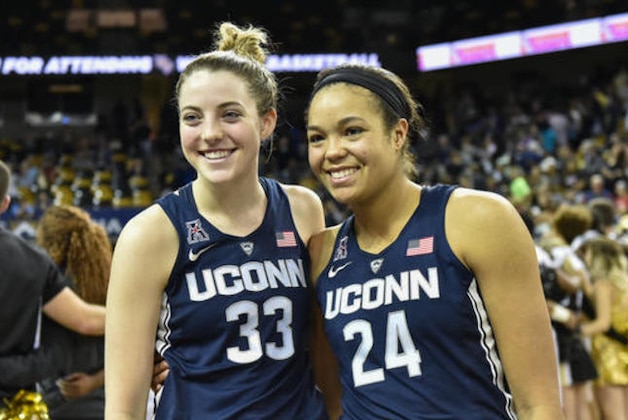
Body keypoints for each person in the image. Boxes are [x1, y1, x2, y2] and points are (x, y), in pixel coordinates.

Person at [304, 64, 563, 419]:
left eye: (351, 131)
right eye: (317, 138)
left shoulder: (478, 219)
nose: (331, 151)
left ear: (397, 134)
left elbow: (540, 404)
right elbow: (334, 403)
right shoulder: (322, 253)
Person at [104, 22, 327, 419]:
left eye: (230, 115)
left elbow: (322, 340)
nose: (209, 133)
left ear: (267, 122)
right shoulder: (149, 234)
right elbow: (123, 408)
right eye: (192, 118)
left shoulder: (303, 209)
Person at [0, 160, 106, 405]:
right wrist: (144, 317)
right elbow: (85, 321)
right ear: (5, 203)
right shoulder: (33, 262)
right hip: (17, 403)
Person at [31, 205, 110, 419]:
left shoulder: (50, 283)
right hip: (109, 399)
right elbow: (137, 347)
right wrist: (96, 381)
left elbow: (85, 321)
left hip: (62, 399)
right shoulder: (110, 279)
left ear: (49, 239)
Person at [576, 237, 628, 420]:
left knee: (614, 415)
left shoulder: (603, 284)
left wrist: (575, 333)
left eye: (588, 252)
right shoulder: (622, 283)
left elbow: (603, 322)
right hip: (623, 351)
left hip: (607, 354)